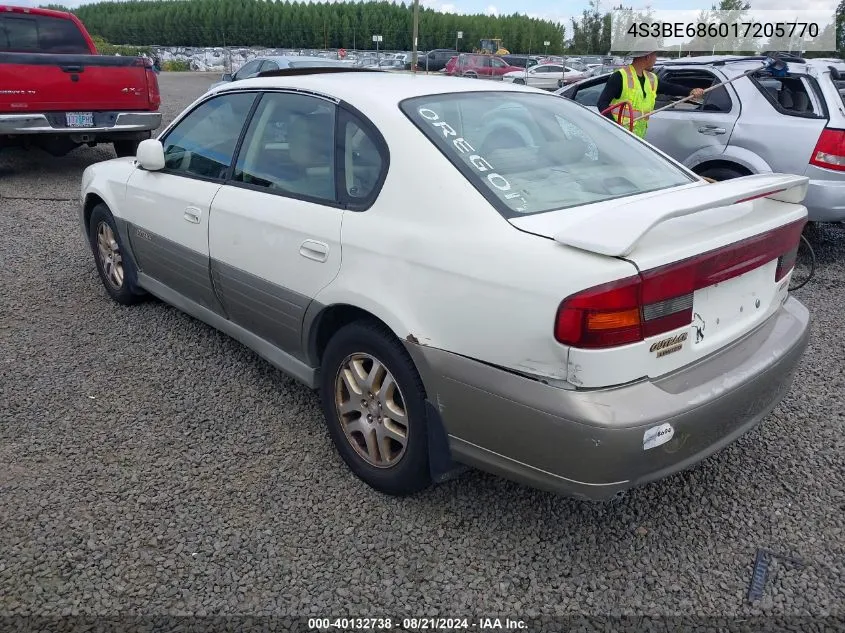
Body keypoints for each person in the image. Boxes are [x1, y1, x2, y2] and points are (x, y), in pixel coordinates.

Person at [597, 50, 706, 139]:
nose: (656, 59)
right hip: (618, 136)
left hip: (637, 136)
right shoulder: (620, 76)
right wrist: (615, 127)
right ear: (647, 56)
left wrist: (690, 91)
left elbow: (669, 88)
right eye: (655, 55)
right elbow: (602, 104)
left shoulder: (651, 78)